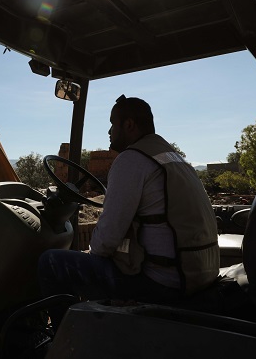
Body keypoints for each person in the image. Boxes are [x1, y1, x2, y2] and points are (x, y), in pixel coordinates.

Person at [38, 95, 219, 321]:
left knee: (50, 262)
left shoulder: (132, 159)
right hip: (197, 273)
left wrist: (92, 253)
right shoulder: (172, 157)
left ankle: (63, 345)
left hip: (162, 282)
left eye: (113, 124)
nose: (109, 131)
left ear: (129, 125)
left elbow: (105, 242)